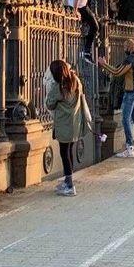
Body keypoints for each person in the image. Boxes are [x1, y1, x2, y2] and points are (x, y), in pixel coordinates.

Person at [99, 38, 134, 157]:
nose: (123, 50)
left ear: (129, 47)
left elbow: (117, 72)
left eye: (124, 47)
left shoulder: (131, 60)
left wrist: (104, 65)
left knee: (125, 119)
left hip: (131, 92)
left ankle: (130, 147)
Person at [46, 59, 89, 197]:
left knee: (64, 154)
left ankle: (70, 185)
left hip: (64, 124)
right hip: (75, 122)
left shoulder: (59, 87)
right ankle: (67, 180)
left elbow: (49, 104)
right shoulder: (75, 80)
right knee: (69, 151)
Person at [67, 0, 98, 65]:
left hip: (71, 5)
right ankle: (86, 52)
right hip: (81, 8)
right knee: (95, 27)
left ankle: (83, 46)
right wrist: (76, 11)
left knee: (81, 29)